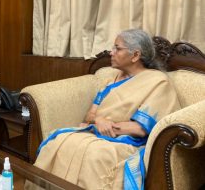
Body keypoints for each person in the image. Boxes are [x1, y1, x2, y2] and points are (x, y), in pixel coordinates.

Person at [31, 29, 181, 189]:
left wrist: (108, 127)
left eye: (117, 48)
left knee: (95, 155)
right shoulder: (112, 80)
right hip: (97, 131)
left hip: (128, 141)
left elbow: (140, 129)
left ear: (135, 55)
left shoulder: (158, 82)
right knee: (59, 142)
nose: (111, 52)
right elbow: (90, 114)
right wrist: (98, 121)